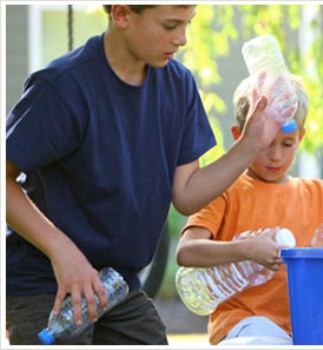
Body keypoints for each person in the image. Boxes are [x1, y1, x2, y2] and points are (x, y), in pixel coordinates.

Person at [5, 5, 280, 345]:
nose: (181, 39)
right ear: (121, 14)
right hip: (47, 283)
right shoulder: (62, 87)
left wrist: (250, 144)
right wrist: (63, 252)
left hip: (118, 286)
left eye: (187, 24)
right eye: (169, 25)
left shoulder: (179, 87)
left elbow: (187, 194)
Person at [176, 74, 323, 345]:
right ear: (240, 137)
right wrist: (246, 249)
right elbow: (186, 252)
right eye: (265, 144)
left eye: (287, 144)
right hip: (246, 325)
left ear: (301, 137)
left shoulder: (321, 194)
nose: (276, 156)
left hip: (306, 327)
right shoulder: (224, 190)